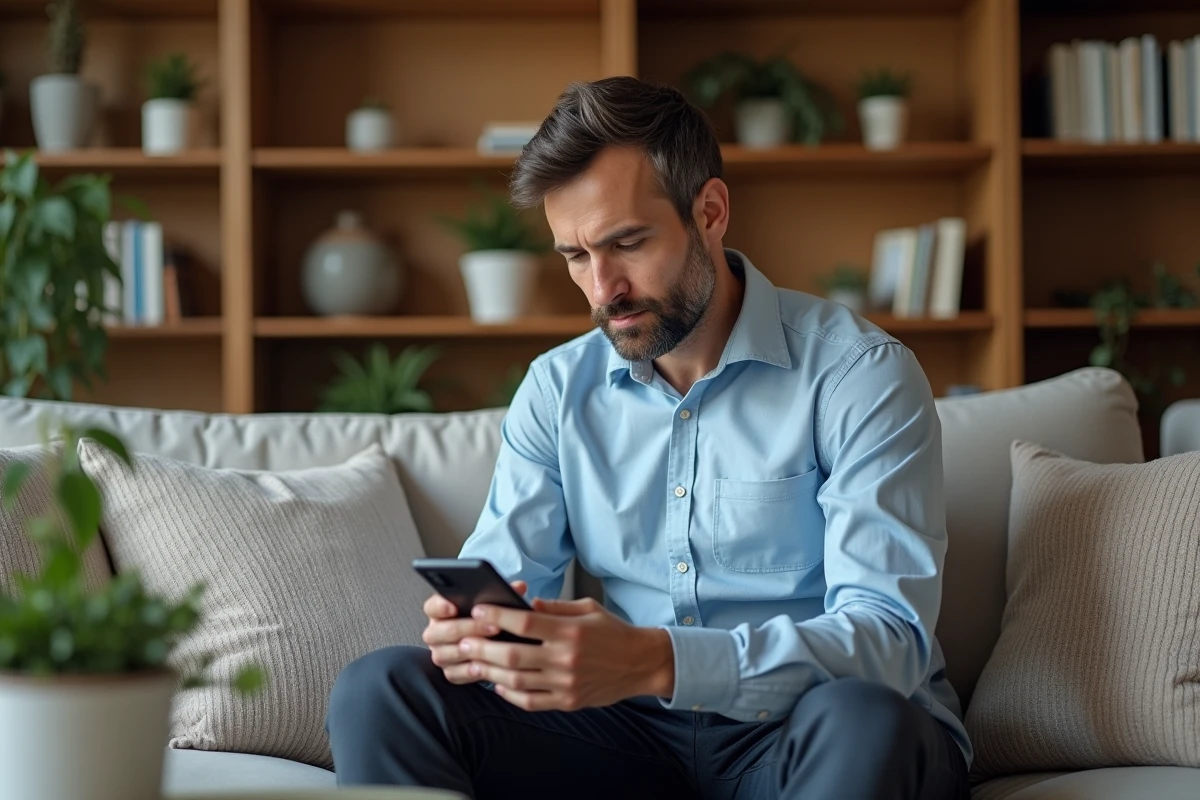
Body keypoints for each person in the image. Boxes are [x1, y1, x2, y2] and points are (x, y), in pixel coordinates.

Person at [326, 76, 971, 800]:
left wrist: (655, 660)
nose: (603, 289)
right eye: (574, 256)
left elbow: (887, 642)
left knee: (864, 718)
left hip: (808, 735)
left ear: (711, 212)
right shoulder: (556, 390)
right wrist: (480, 638)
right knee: (381, 688)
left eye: (626, 243)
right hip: (630, 739)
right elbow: (509, 587)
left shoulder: (859, 375)